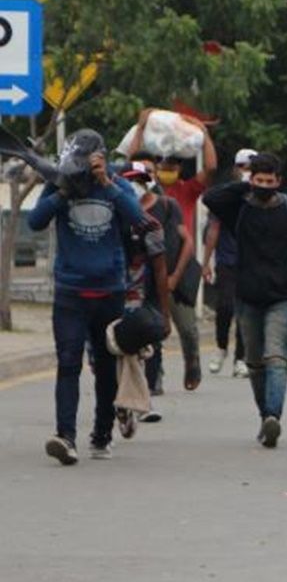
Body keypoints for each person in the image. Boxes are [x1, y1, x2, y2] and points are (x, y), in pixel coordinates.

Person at [29, 130, 149, 464]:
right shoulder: (59, 183)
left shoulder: (116, 183)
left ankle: (102, 434)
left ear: (101, 157)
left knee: (106, 366)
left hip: (109, 290)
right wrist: (62, 192)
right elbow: (36, 221)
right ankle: (65, 437)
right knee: (68, 363)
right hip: (70, 291)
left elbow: (137, 218)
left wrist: (107, 183)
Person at [201, 153, 287, 448]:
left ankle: (273, 415)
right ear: (251, 179)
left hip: (282, 295)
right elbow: (210, 198)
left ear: (279, 181)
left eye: (270, 181)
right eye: (259, 181)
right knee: (255, 362)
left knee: (276, 356)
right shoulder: (239, 208)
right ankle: (264, 416)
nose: (264, 186)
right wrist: (245, 186)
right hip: (247, 295)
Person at [128, 151, 202, 393]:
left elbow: (187, 242)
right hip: (139, 282)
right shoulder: (124, 208)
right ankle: (153, 377)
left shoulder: (168, 205)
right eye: (135, 177)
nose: (141, 181)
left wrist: (174, 277)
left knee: (187, 329)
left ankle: (192, 362)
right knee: (152, 329)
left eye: (147, 174)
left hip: (172, 279)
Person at [116, 161, 176, 435]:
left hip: (139, 298)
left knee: (137, 351)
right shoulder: (108, 220)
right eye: (129, 181)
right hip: (106, 294)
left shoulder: (150, 225)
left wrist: (164, 312)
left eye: (140, 181)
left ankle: (141, 401)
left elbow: (160, 267)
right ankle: (121, 404)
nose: (135, 187)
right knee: (105, 357)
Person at [202, 148, 256, 377]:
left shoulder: (260, 196)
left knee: (245, 310)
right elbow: (214, 228)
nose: (246, 171)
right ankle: (221, 346)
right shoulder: (225, 197)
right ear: (235, 169)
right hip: (227, 259)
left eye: (251, 168)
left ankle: (241, 358)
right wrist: (206, 262)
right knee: (225, 306)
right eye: (243, 167)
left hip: (252, 261)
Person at [128, 109, 217, 241]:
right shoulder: (144, 187)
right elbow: (131, 163)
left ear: (180, 168)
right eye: (162, 161)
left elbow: (211, 168)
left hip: (180, 249)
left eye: (173, 162)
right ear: (155, 165)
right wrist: (140, 128)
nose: (168, 165)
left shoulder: (188, 190)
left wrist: (204, 134)